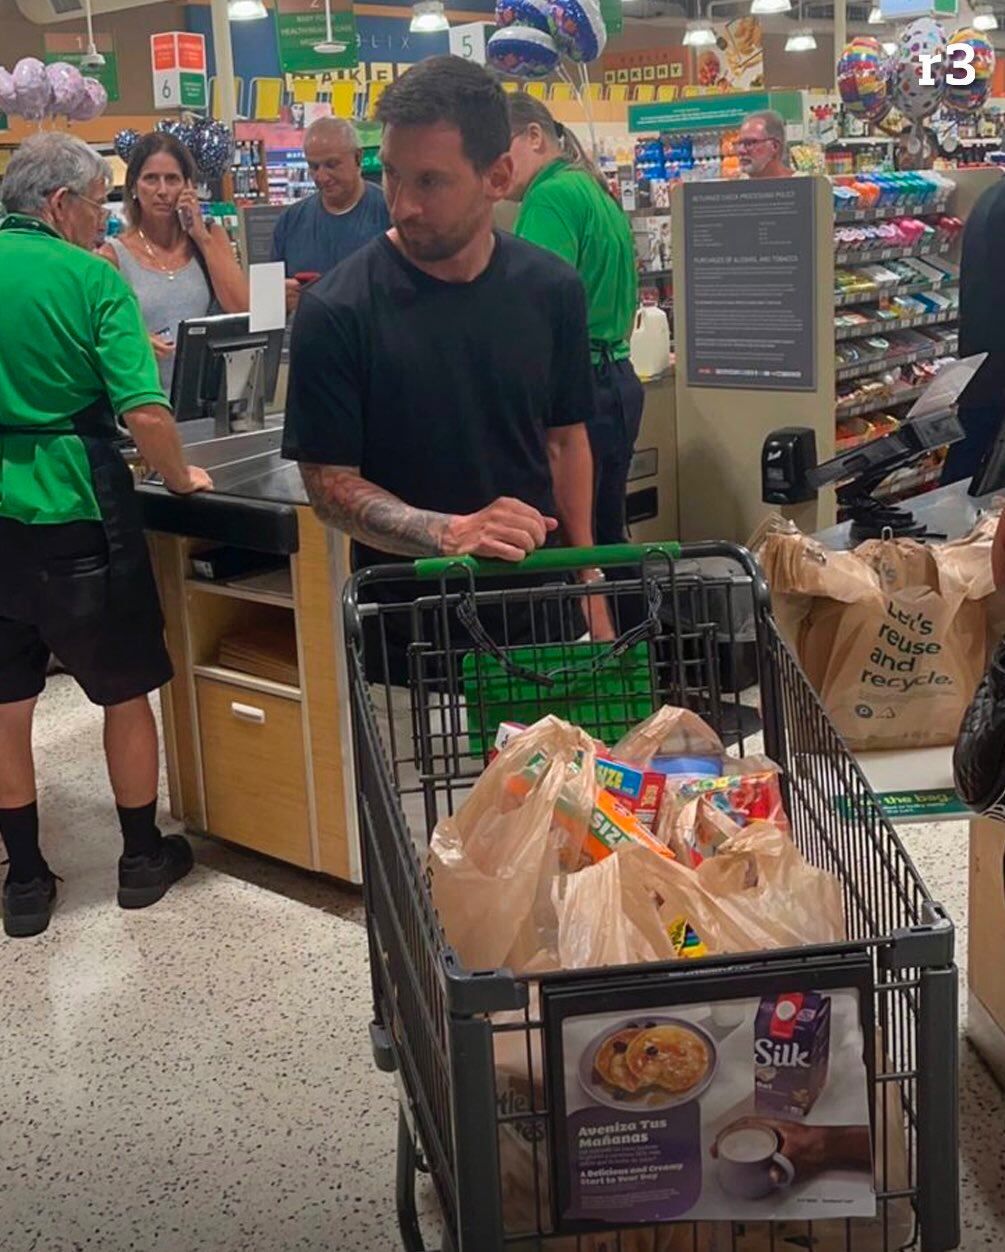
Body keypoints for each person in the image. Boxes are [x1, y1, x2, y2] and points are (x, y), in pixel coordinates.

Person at [282, 56, 604, 603]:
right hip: (405, 632)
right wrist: (448, 532)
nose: (403, 204)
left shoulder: (552, 289)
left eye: (430, 181)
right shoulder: (337, 309)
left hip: (540, 608)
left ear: (496, 178)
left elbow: (565, 441)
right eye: (392, 174)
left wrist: (588, 579)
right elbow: (328, 486)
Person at [0, 133, 211, 939]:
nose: (103, 220)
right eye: (97, 204)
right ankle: (138, 858)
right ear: (60, 205)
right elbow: (144, 410)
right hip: (75, 504)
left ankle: (23, 880)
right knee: (125, 689)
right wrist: (182, 476)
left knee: (7, 703)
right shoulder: (92, 278)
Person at [507, 94, 642, 547]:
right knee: (606, 533)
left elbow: (531, 308)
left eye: (497, 149)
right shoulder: (593, 189)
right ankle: (626, 619)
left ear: (533, 136)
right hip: (618, 379)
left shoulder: (550, 197)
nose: (493, 166)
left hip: (577, 392)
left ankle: (597, 621)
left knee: (570, 545)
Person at [98, 131, 248, 393]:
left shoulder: (211, 238)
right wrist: (136, 340)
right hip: (146, 396)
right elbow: (100, 337)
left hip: (208, 397)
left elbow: (241, 308)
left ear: (188, 186)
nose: (163, 191)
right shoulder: (113, 256)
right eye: (151, 179)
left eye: (172, 179)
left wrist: (200, 236)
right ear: (133, 186)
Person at [271, 116, 391, 314]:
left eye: (332, 165)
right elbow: (267, 305)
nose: (321, 177)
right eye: (314, 167)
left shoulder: (390, 214)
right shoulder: (289, 222)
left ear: (358, 158)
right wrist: (278, 299)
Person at [940, 177, 1005, 484]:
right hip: (998, 362)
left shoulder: (990, 194)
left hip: (982, 356)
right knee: (976, 465)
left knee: (967, 455)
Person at [738, 110, 793, 180]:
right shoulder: (736, 187)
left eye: (749, 143)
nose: (741, 150)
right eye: (739, 143)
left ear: (774, 146)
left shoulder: (805, 185)